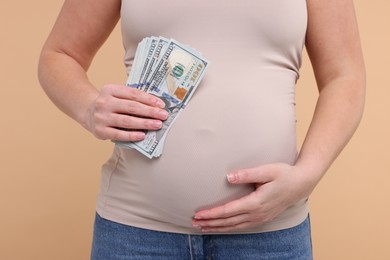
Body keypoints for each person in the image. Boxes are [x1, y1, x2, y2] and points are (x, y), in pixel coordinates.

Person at [38, 0, 365, 259]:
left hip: (270, 236)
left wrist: (308, 174)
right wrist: (89, 108)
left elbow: (344, 75)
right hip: (136, 233)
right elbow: (60, 54)